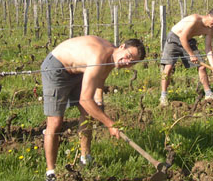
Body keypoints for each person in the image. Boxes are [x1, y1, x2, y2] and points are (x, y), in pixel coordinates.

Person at [41, 36, 145, 181]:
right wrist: (110, 124)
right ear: (122, 47)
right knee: (55, 121)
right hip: (57, 68)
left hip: (77, 72)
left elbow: (100, 79)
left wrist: (99, 101)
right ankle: (50, 172)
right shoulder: (99, 57)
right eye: (128, 56)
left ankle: (85, 159)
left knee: (89, 114)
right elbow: (85, 99)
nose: (127, 62)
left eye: (132, 62)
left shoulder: (112, 57)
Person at [160, 7, 213, 106]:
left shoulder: (210, 29)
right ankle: (163, 96)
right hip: (174, 39)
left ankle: (208, 93)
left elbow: (208, 47)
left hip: (188, 41)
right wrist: (191, 55)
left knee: (202, 67)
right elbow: (182, 37)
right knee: (168, 67)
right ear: (208, 16)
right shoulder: (194, 20)